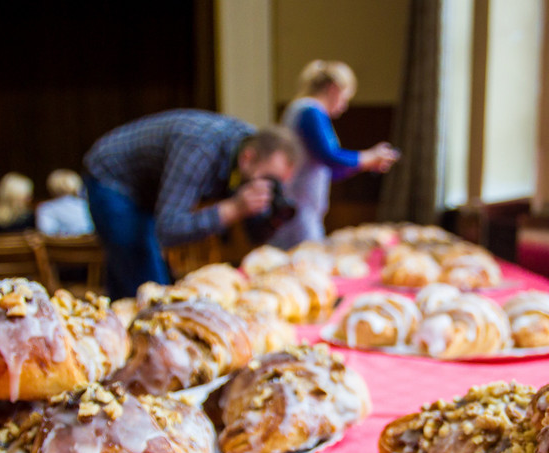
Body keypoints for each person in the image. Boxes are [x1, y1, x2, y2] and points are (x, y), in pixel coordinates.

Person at [82, 109, 303, 299]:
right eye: (269, 180)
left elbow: (253, 236)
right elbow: (168, 228)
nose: (269, 188)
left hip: (147, 189)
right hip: (112, 178)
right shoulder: (199, 149)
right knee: (149, 285)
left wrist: (272, 219)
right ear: (247, 157)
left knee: (132, 275)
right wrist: (233, 209)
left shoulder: (250, 160)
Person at [273, 60, 400, 250]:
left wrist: (366, 164)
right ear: (334, 89)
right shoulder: (310, 110)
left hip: (303, 206)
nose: (345, 106)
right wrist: (368, 157)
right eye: (345, 98)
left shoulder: (303, 109)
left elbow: (330, 170)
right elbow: (330, 157)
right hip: (298, 208)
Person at [35, 169, 94, 237]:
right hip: (89, 245)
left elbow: (46, 233)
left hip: (60, 246)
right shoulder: (86, 204)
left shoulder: (46, 208)